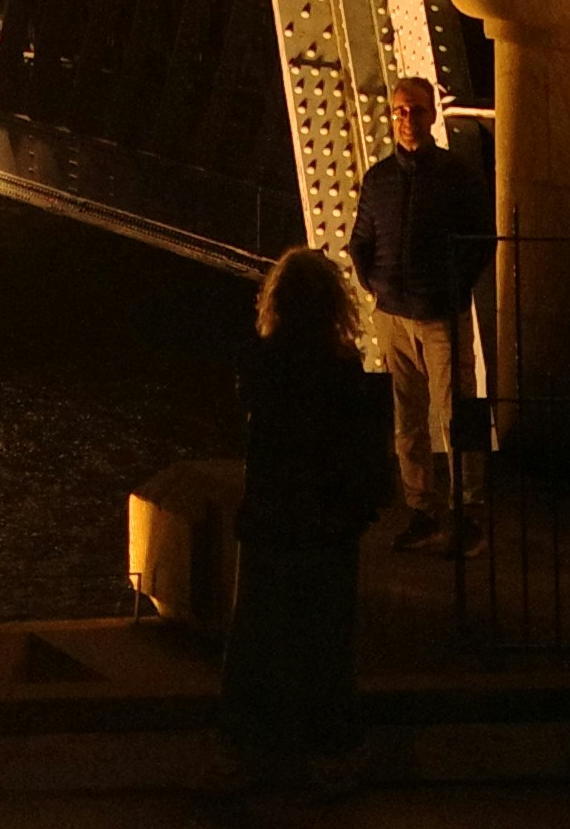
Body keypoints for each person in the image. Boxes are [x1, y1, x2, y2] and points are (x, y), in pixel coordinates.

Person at [220, 247, 394, 786]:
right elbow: (361, 456)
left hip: (272, 521)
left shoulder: (263, 366)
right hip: (326, 526)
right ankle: (328, 744)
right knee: (325, 641)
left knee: (259, 633)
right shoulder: (342, 373)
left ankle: (251, 739)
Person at [345, 71, 490, 550]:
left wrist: (453, 288)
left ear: (431, 117)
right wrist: (376, 285)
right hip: (395, 315)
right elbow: (361, 241)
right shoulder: (379, 179)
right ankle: (423, 511)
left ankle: (467, 511)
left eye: (416, 111)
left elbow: (480, 240)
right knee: (408, 417)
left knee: (457, 411)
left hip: (440, 313)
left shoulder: (455, 176)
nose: (407, 119)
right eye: (399, 111)